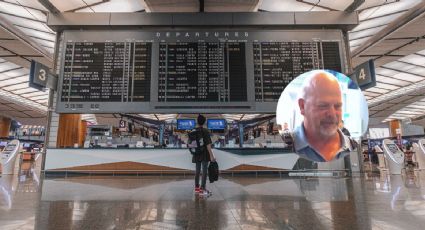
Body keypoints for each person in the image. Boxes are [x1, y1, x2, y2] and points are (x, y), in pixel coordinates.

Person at [284, 71, 355, 162]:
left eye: (337, 106)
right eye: (323, 105)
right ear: (302, 106)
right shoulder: (288, 145)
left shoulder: (353, 146)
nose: (332, 114)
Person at [192, 114, 216, 196]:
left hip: (196, 153)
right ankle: (202, 189)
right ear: (204, 122)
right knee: (204, 171)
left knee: (197, 171)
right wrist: (211, 155)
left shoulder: (193, 130)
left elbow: (191, 144)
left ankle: (197, 188)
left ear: (197, 121)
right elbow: (208, 145)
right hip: (204, 154)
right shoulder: (205, 131)